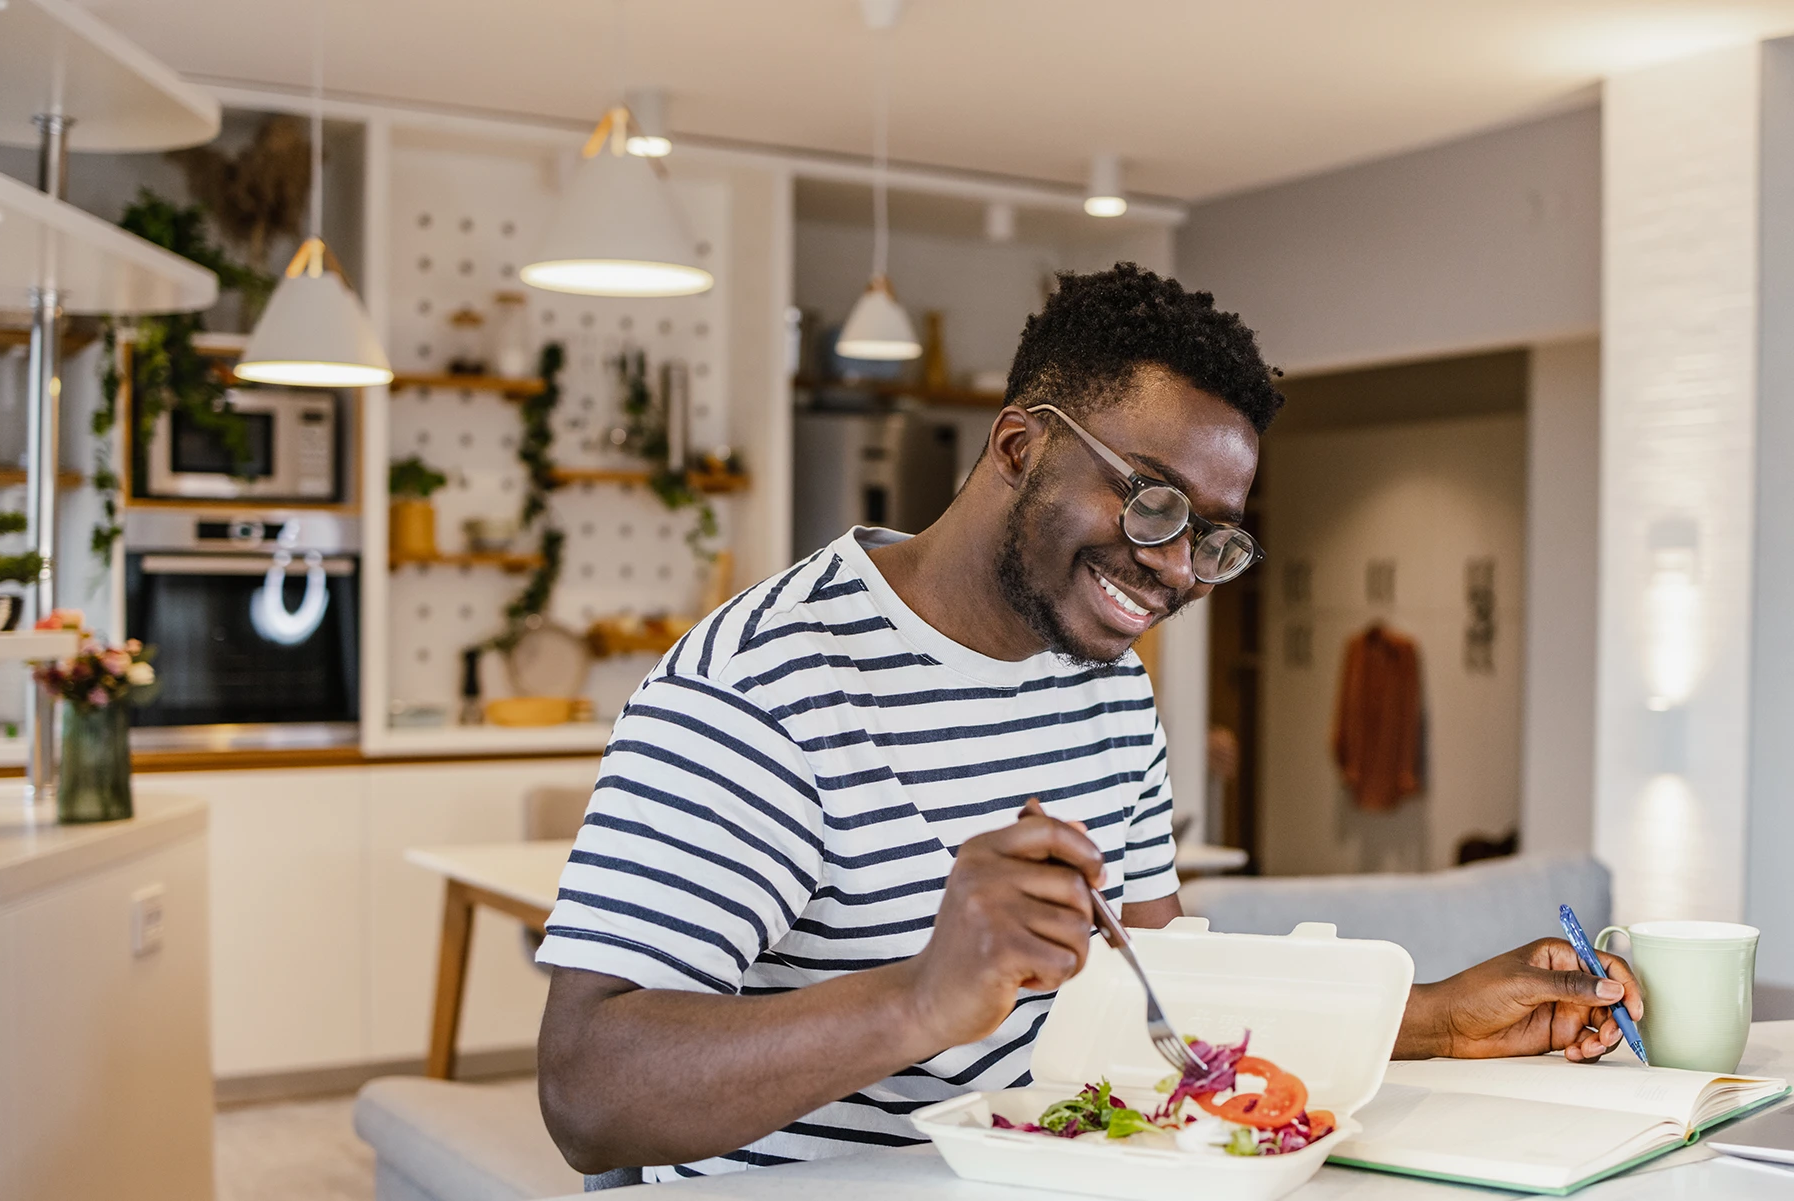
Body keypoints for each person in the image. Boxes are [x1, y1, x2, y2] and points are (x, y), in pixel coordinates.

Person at [536, 264, 1642, 1180]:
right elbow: (588, 1088)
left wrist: (1442, 1017)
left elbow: (1162, 994)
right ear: (1018, 446)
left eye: (1213, 537)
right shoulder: (762, 686)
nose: (1174, 570)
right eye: (1152, 501)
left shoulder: (1101, 678)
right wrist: (920, 999)